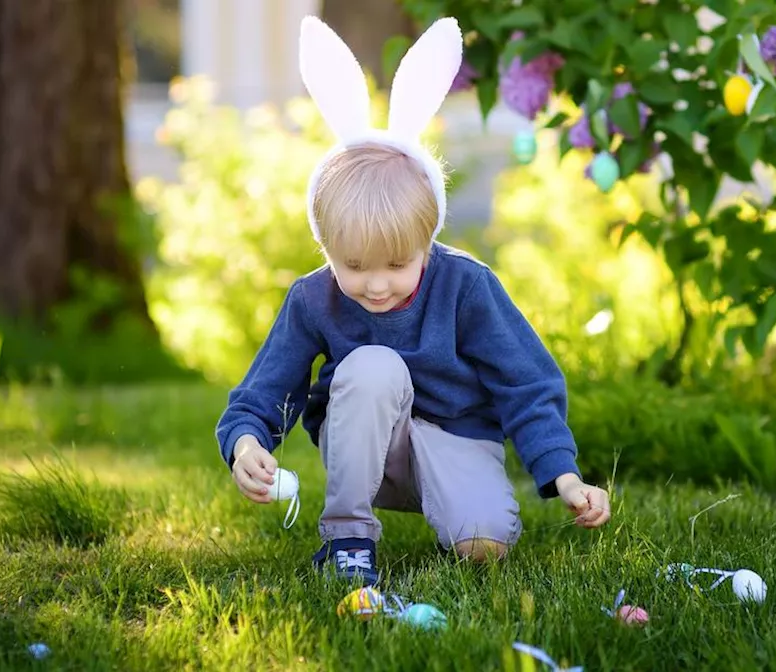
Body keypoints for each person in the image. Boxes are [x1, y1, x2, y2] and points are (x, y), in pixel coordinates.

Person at [214, 16, 610, 587]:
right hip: (367, 447)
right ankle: (348, 540)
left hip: (457, 440)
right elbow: (264, 388)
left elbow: (526, 382)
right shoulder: (312, 298)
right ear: (327, 247)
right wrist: (246, 442)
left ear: (428, 240)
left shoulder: (466, 286)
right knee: (375, 366)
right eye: (353, 267)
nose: (376, 285)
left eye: (398, 266)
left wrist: (563, 475)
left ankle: (464, 510)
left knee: (483, 545)